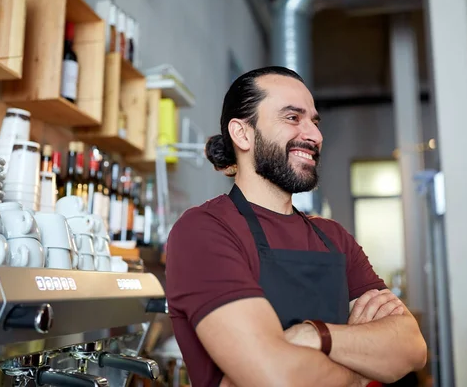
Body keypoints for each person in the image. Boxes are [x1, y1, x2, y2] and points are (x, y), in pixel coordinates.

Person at [166, 66, 427, 387]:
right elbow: (278, 379)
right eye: (292, 118)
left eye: (315, 121)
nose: (315, 135)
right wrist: (361, 369)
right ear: (242, 133)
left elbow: (412, 349)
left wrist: (317, 335)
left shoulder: (334, 238)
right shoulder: (204, 231)